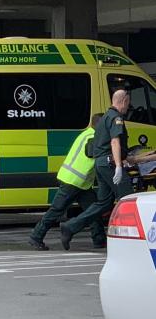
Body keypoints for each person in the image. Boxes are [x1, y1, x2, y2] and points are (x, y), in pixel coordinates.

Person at [60, 89, 135, 250]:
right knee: (129, 199)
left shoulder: (103, 119)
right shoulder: (116, 118)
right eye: (128, 104)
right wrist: (119, 167)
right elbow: (115, 142)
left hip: (100, 164)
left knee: (103, 203)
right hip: (110, 164)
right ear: (123, 101)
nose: (128, 108)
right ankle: (129, 238)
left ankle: (71, 227)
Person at [28, 114, 105, 250]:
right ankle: (36, 236)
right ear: (100, 126)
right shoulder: (94, 138)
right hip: (73, 181)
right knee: (57, 210)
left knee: (93, 211)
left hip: (80, 182)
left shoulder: (87, 134)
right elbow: (93, 153)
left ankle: (99, 240)